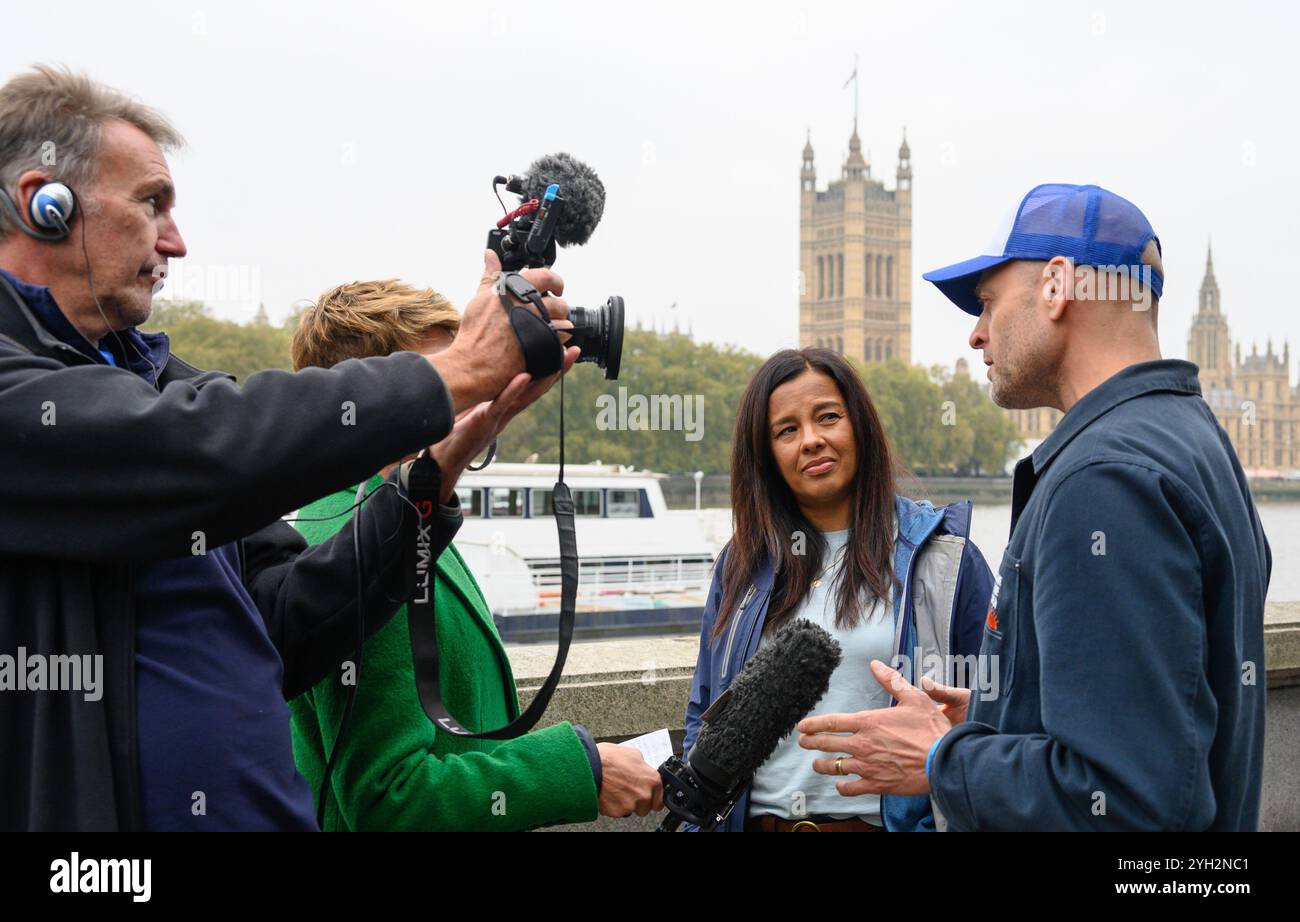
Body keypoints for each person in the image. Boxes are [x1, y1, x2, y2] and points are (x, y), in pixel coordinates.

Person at [0, 65, 574, 830]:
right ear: (44, 203)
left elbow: (288, 620)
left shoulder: (159, 383)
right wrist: (456, 370)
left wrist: (430, 479)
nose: (176, 239)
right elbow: (197, 448)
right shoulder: (42, 393)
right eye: (151, 204)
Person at [799, 184, 1271, 830]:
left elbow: (1128, 802)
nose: (976, 334)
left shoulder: (1104, 480)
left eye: (989, 303)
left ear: (1055, 287)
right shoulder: (1192, 439)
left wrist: (942, 758)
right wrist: (1008, 710)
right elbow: (1165, 721)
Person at [287, 279, 663, 829]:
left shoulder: (388, 511)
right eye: (445, 375)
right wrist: (581, 770)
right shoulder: (356, 542)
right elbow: (390, 797)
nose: (473, 391)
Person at [682, 347, 992, 832]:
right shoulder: (742, 564)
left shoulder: (944, 558)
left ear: (860, 427)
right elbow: (705, 710)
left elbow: (995, 710)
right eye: (786, 430)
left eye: (828, 417)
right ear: (765, 455)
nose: (811, 441)